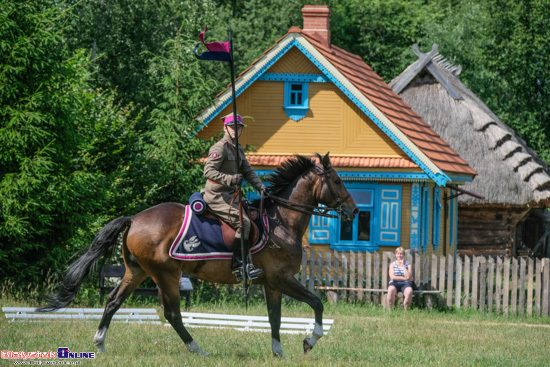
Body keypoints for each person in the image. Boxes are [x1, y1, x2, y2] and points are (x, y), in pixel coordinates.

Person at [201, 113, 266, 279]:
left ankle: (249, 263)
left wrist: (260, 186)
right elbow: (208, 171)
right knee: (243, 222)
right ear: (225, 128)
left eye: (238, 127)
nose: (235, 130)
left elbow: (248, 171)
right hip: (217, 196)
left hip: (231, 196)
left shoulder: (238, 149)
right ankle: (238, 265)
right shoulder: (219, 148)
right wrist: (230, 179)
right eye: (232, 127)